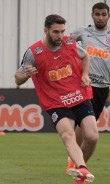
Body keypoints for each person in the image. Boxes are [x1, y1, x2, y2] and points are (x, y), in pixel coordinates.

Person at [15, 14, 97, 183]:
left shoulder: (70, 42)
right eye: (55, 32)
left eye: (62, 31)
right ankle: (81, 168)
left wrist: (85, 74)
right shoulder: (34, 52)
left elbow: (86, 56)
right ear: (46, 30)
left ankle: (77, 167)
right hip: (55, 102)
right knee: (68, 134)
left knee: (92, 137)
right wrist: (25, 75)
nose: (60, 36)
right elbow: (17, 78)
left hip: (79, 95)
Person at [68, 2, 110, 172]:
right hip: (83, 83)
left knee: (87, 122)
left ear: (108, 15)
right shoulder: (82, 32)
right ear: (92, 15)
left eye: (103, 14)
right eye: (97, 14)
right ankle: (75, 159)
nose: (100, 17)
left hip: (102, 86)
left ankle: (74, 157)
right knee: (83, 121)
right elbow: (66, 45)